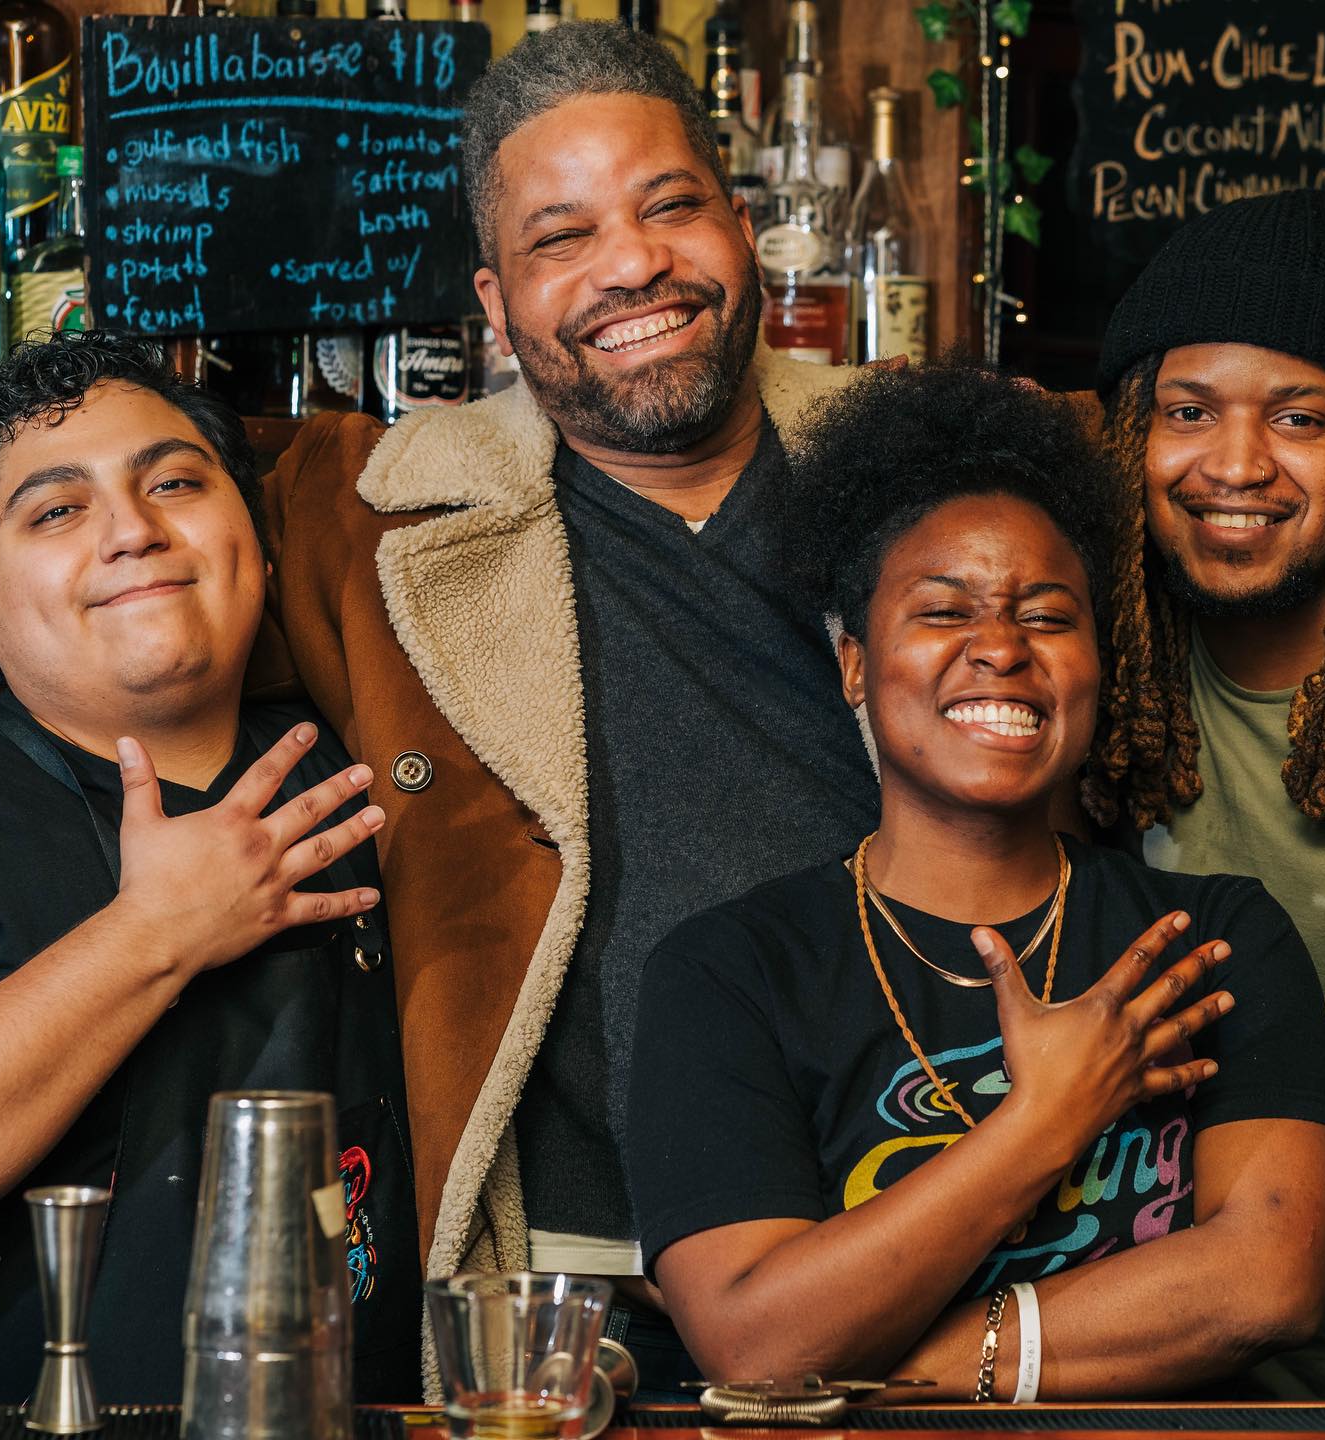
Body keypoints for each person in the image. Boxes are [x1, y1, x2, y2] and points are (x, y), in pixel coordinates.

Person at [257, 20, 879, 1377]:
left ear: (739, 220)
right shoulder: (365, 526)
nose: (633, 263)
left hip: (915, 1217)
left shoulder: (916, 471)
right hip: (564, 1294)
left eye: (670, 207)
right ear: (491, 305)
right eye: (561, 238)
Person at [626, 358, 1325, 1399]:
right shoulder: (728, 973)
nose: (1002, 649)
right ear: (854, 664)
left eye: (1050, 616)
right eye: (942, 611)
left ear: (1098, 662)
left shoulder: (1214, 935)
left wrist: (903, 1369)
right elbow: (752, 1340)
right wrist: (1045, 1122)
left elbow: (1268, 1281)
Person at [0, 332, 419, 1404]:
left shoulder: (394, 776)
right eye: (56, 509)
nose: (134, 531)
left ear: (262, 548)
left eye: (175, 482)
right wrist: (156, 930)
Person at [1091, 188, 1325, 1399]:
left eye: (1300, 417)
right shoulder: (1095, 686)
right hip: (1189, 1379)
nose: (1234, 465)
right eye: (1188, 411)